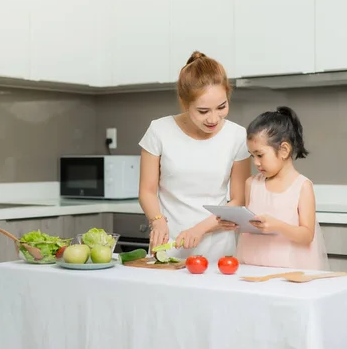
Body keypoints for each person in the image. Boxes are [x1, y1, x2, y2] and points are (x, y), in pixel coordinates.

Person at [138, 51, 252, 263]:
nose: (213, 118)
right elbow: (147, 191)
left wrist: (200, 229)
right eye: (203, 111)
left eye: (222, 107)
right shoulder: (159, 130)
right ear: (184, 102)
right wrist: (157, 222)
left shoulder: (237, 136)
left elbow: (239, 199)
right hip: (169, 242)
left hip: (218, 246)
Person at [220, 106, 329, 271]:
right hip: (251, 265)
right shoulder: (251, 183)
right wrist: (236, 224)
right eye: (252, 156)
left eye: (260, 155)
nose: (256, 162)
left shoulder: (302, 186)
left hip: (289, 269)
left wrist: (277, 226)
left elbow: (307, 236)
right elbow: (249, 226)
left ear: (284, 150)